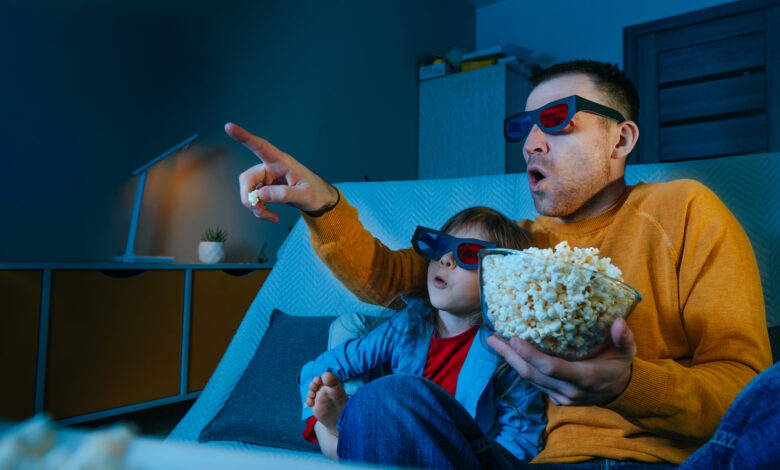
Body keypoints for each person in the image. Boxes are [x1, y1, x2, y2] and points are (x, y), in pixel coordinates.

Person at [228, 59, 772, 468]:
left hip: (682, 461)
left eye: (557, 120)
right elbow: (403, 281)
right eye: (524, 127)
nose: (532, 142)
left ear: (621, 138)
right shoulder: (516, 249)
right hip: (543, 463)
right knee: (382, 400)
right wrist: (325, 203)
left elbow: (742, 389)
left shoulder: (684, 209)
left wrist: (629, 384)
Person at [299, 207, 547, 466]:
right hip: (401, 439)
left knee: (382, 416)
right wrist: (319, 416)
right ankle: (341, 426)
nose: (446, 259)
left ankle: (346, 433)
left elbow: (521, 434)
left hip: (460, 454)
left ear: (504, 279)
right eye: (440, 246)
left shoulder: (507, 347)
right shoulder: (407, 325)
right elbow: (321, 367)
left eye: (468, 253)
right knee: (346, 337)